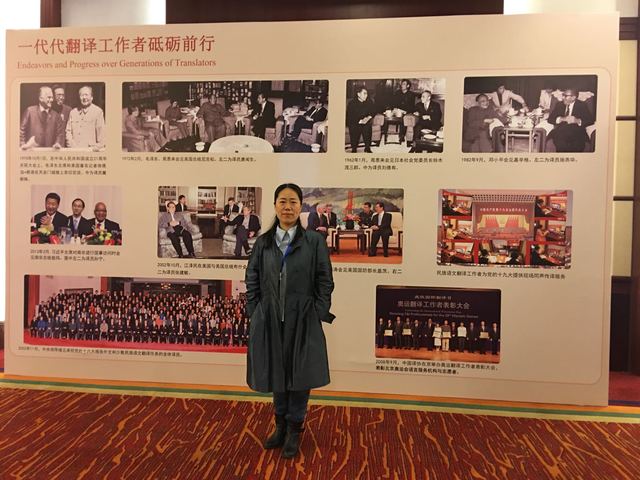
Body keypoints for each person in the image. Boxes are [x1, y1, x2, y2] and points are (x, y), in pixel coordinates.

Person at [245, 183, 335, 459]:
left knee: (300, 375)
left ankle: (295, 429)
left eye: (293, 202)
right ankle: (280, 426)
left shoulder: (314, 242)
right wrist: (256, 311)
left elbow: (325, 281)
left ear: (300, 207)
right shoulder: (263, 242)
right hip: (271, 319)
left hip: (303, 318)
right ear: (275, 205)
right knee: (277, 373)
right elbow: (252, 279)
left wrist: (318, 311)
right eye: (282, 201)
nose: (287, 207)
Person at [547, 88, 594, 152]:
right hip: (560, 131)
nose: (563, 97)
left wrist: (577, 120)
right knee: (561, 144)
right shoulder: (559, 104)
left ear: (573, 97)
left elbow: (590, 120)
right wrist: (561, 119)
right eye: (563, 95)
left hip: (577, 132)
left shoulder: (582, 105)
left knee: (577, 145)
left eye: (565, 96)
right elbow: (550, 119)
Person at [346, 87, 376, 153]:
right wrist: (359, 121)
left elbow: (373, 111)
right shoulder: (352, 103)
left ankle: (367, 147)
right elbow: (349, 116)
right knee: (354, 128)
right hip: (354, 121)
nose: (366, 95)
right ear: (358, 94)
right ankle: (354, 148)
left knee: (367, 127)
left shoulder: (369, 101)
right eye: (364, 93)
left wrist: (368, 118)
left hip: (365, 121)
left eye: (367, 94)